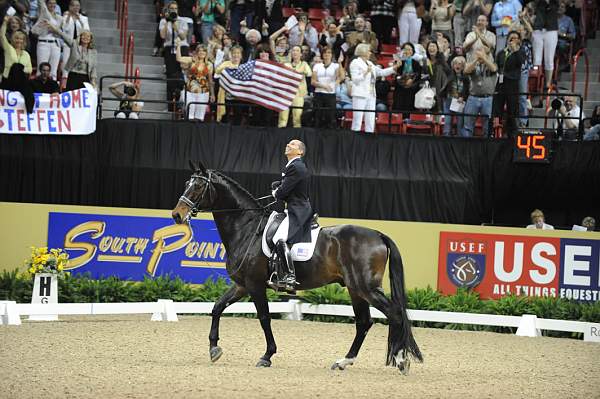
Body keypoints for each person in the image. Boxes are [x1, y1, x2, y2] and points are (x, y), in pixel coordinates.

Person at [270, 139, 312, 291]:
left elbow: (283, 192)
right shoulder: (293, 166)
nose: (288, 145)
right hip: (295, 207)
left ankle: (290, 276)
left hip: (298, 210)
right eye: (288, 143)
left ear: (300, 151)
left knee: (278, 238)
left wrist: (276, 191)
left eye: (293, 144)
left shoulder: (296, 166)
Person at [350, 43, 399, 133]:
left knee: (370, 118)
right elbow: (355, 79)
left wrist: (394, 68)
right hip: (360, 94)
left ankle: (370, 136)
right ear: (363, 52)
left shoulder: (370, 63)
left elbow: (381, 72)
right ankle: (354, 139)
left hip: (371, 94)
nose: (370, 53)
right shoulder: (355, 62)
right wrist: (365, 73)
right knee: (358, 119)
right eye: (369, 51)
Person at [494, 30, 524, 138]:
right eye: (511, 38)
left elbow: (521, 63)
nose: (513, 40)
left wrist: (515, 50)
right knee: (497, 107)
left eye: (516, 38)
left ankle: (512, 133)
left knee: (512, 108)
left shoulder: (520, 52)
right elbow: (498, 65)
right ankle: (496, 131)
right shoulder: (502, 53)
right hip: (501, 82)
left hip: (512, 83)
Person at [1, 16, 34, 113]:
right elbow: (2, 36)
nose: (19, 41)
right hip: (8, 80)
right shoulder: (8, 49)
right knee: (15, 66)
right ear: (13, 39)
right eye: (17, 38)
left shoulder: (26, 54)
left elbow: (30, 69)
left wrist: (21, 68)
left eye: (21, 39)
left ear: (24, 41)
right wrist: (5, 23)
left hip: (21, 80)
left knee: (30, 94)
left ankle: (29, 114)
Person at [462, 47, 497, 137]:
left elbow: (494, 69)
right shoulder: (473, 65)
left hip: (488, 98)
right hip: (473, 97)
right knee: (468, 126)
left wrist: (484, 58)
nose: (479, 55)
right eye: (477, 53)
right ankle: (467, 146)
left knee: (487, 127)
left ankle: (486, 147)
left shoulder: (491, 64)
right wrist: (476, 60)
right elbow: (466, 70)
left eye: (481, 53)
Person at [160, 1, 188, 109]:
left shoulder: (182, 21)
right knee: (170, 77)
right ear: (168, 9)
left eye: (175, 8)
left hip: (182, 48)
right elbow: (162, 36)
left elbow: (182, 37)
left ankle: (181, 104)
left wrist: (175, 24)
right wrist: (168, 21)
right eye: (171, 8)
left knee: (182, 75)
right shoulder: (163, 21)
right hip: (169, 49)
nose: (174, 10)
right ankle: (170, 106)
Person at [50, 24, 97, 90]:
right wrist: (54, 28)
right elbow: (64, 36)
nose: (85, 37)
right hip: (73, 75)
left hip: (85, 77)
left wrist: (93, 80)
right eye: (83, 35)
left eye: (88, 36)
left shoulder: (93, 52)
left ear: (90, 39)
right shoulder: (74, 44)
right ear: (80, 37)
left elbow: (93, 67)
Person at [177, 42, 215, 121]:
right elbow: (178, 58)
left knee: (200, 116)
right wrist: (178, 46)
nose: (202, 52)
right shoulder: (191, 60)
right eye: (200, 51)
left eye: (203, 51)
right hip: (190, 91)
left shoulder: (209, 64)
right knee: (189, 114)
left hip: (204, 92)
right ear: (197, 52)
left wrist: (212, 94)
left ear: (206, 53)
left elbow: (210, 80)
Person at [278, 45, 312, 128]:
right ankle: (280, 135)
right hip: (286, 93)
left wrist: (298, 72)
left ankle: (297, 137)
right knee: (283, 118)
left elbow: (309, 73)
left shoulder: (304, 64)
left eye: (297, 51)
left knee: (297, 118)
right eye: (293, 50)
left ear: (301, 54)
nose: (295, 52)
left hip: (298, 94)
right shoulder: (286, 64)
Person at [312, 46, 345, 129]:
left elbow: (342, 77)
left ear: (332, 55)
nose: (327, 54)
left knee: (330, 117)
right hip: (318, 93)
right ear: (322, 55)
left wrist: (340, 63)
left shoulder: (335, 66)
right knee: (317, 116)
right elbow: (313, 81)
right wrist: (324, 86)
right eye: (325, 52)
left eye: (329, 52)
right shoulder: (317, 66)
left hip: (330, 94)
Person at [532, 0, 559, 89]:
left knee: (549, 58)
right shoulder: (539, 2)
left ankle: (548, 83)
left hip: (551, 30)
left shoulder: (554, 2)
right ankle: (536, 82)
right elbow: (531, 5)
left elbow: (557, 8)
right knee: (537, 58)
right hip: (538, 29)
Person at [34, 0, 63, 80]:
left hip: (56, 44)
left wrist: (55, 30)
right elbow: (40, 3)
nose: (52, 5)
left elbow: (59, 32)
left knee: (53, 71)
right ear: (46, 4)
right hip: (44, 43)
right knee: (41, 68)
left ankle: (52, 90)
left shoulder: (59, 18)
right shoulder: (43, 13)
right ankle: (39, 89)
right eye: (50, 3)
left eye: (54, 3)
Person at [61, 0, 90, 79]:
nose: (76, 7)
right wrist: (68, 17)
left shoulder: (84, 18)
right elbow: (64, 29)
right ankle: (65, 84)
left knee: (77, 64)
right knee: (65, 64)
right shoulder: (65, 17)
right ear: (70, 7)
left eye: (77, 5)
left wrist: (79, 20)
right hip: (68, 44)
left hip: (79, 45)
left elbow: (86, 31)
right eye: (74, 5)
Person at [392, 41, 422, 117]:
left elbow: (418, 75)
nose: (407, 51)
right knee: (399, 106)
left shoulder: (416, 63)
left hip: (411, 89)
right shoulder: (399, 62)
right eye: (405, 49)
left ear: (412, 52)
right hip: (400, 89)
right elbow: (395, 74)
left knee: (409, 108)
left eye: (409, 49)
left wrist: (411, 80)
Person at [442, 56, 469, 136]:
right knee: (447, 123)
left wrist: (463, 97)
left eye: (460, 64)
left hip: (459, 102)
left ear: (463, 66)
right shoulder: (450, 73)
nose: (457, 65)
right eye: (455, 64)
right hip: (448, 100)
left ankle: (459, 141)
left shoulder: (466, 77)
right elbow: (443, 64)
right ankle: (446, 140)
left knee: (460, 124)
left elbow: (468, 90)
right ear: (452, 65)